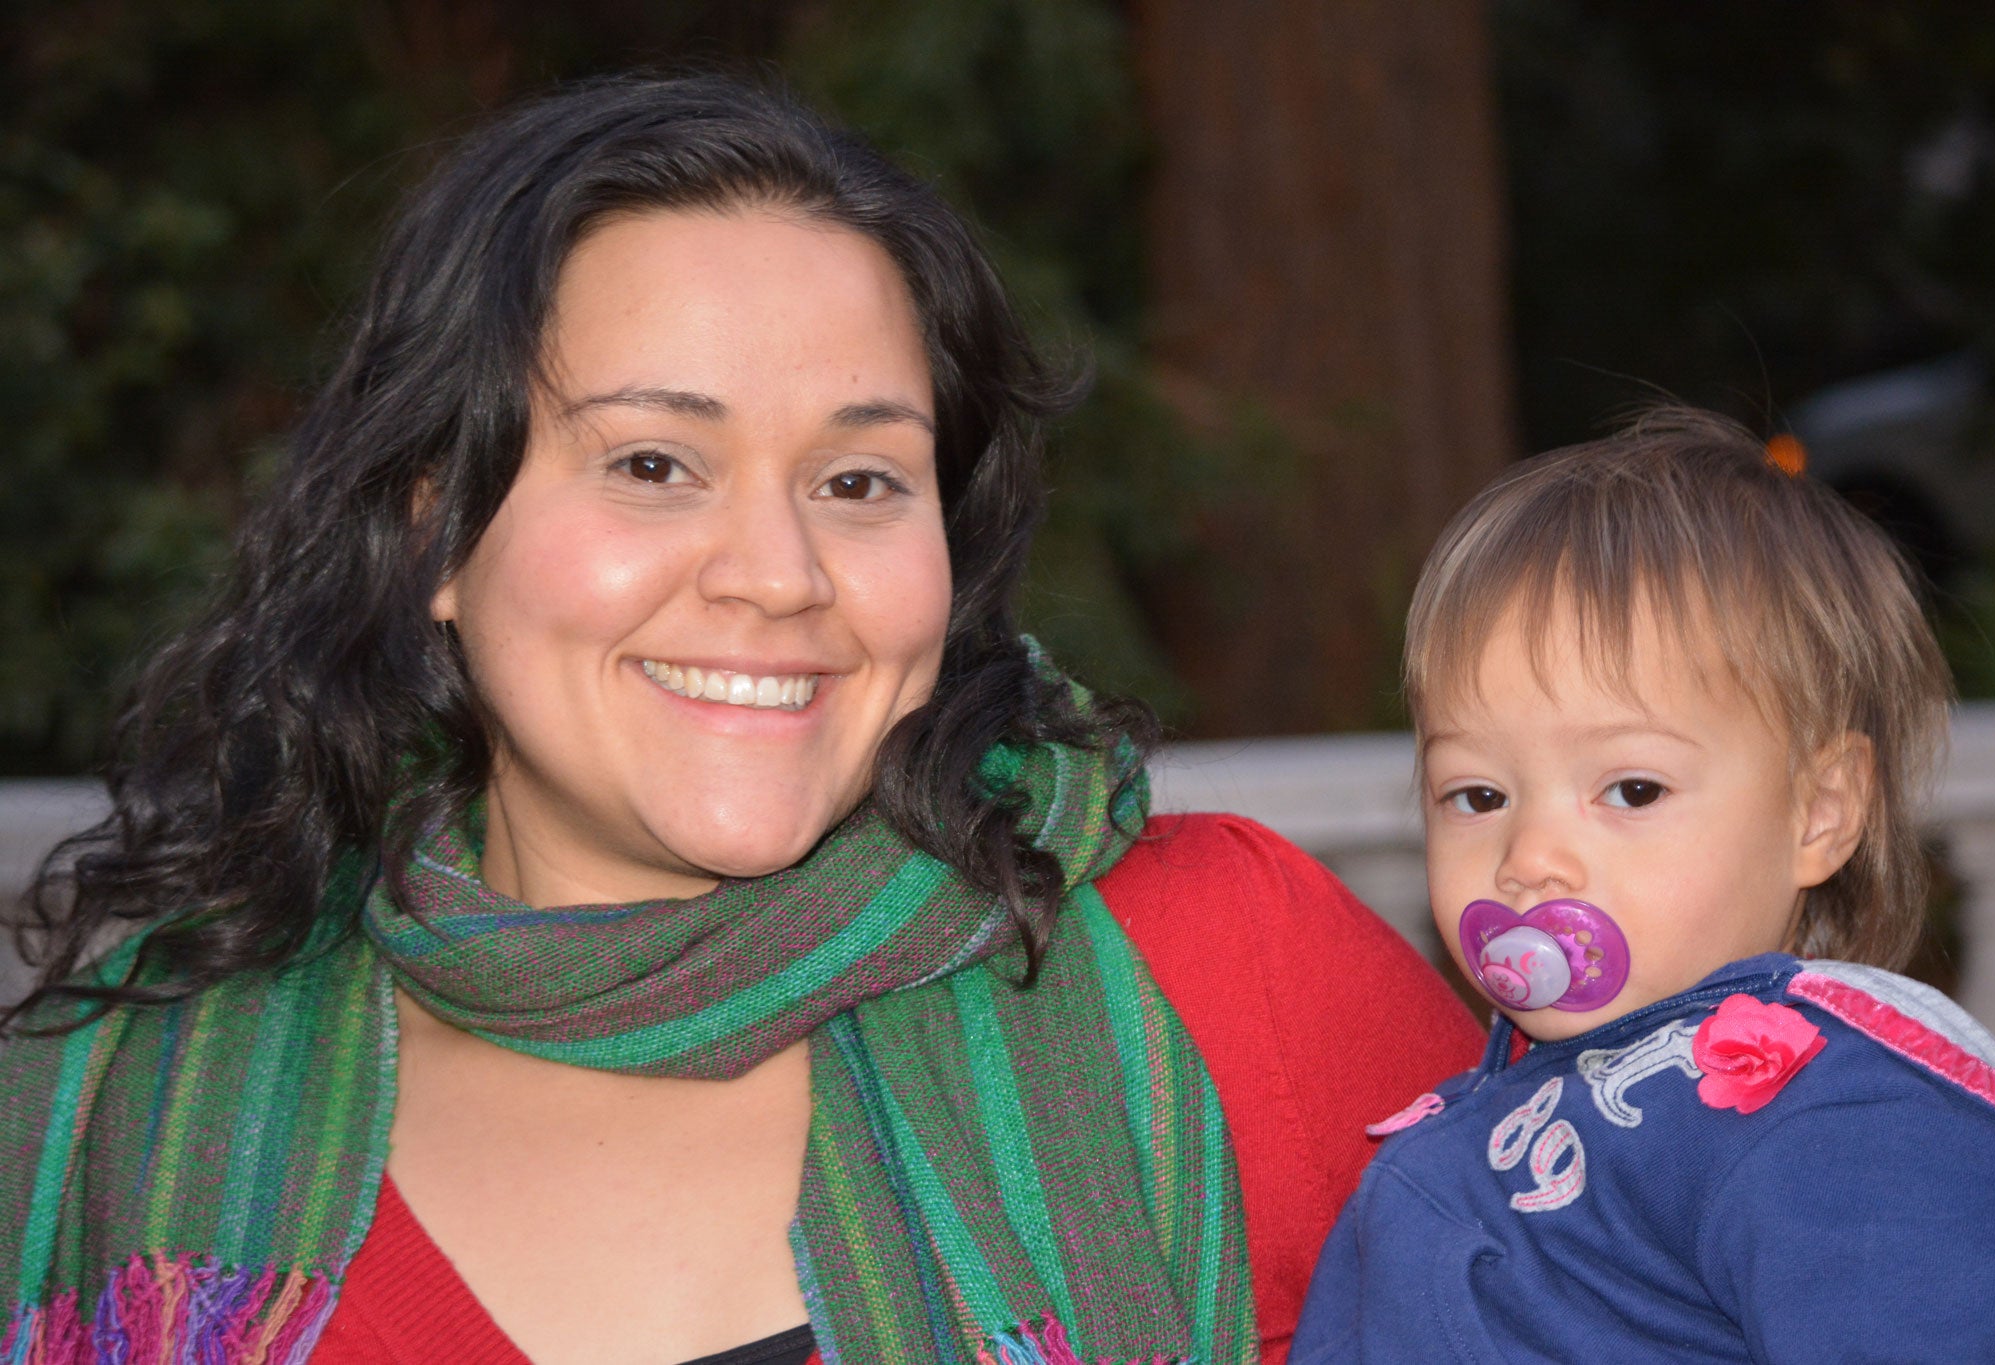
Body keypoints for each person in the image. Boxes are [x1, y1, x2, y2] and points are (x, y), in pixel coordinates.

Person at [0, 75, 1481, 1365]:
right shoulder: (98, 1126)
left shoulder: (1234, 970)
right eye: (654, 463)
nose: (779, 577)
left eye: (858, 482)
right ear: (435, 532)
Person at [1290, 409, 1995, 1362]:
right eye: (1477, 794)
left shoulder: (1836, 1116)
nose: (1530, 855)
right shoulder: (1487, 1111)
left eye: (1631, 788)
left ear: (1820, 810)